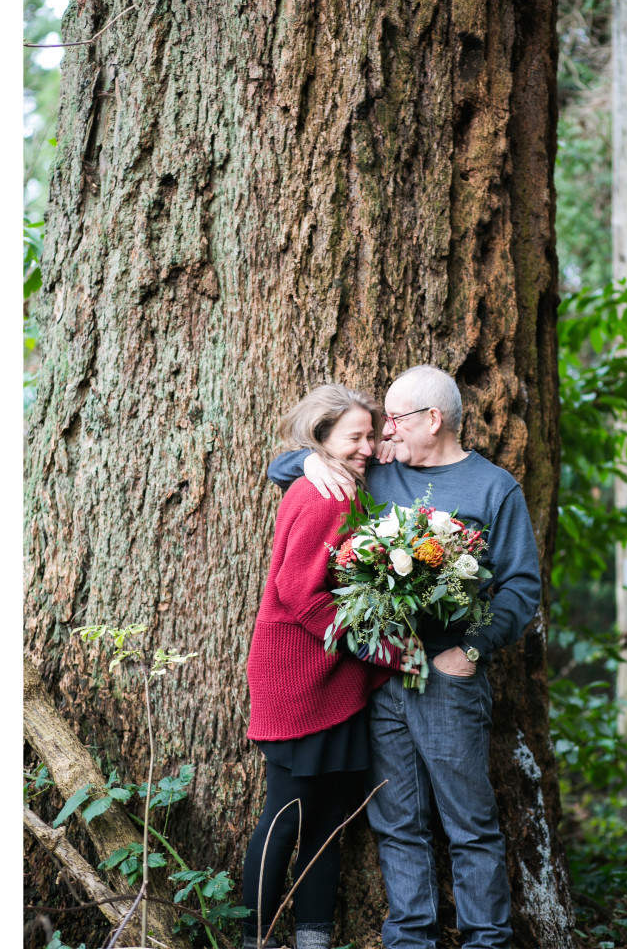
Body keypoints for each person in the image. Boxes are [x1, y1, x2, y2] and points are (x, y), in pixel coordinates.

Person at [269, 364, 540, 949]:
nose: (384, 434)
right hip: (376, 675)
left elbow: (520, 589)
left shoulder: (494, 489)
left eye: (395, 420)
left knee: (468, 823)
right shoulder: (382, 473)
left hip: (448, 675)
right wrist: (310, 461)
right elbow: (282, 467)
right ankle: (409, 939)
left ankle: (487, 940)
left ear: (433, 419)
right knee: (396, 820)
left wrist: (472, 649)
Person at [242, 383, 400, 949]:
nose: (365, 446)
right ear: (322, 438)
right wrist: (381, 647)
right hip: (299, 682)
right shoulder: (325, 494)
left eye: (370, 435)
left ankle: (313, 939)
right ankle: (253, 938)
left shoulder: (349, 484)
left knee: (327, 825)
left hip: (336, 684)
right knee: (285, 818)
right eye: (353, 437)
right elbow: (301, 594)